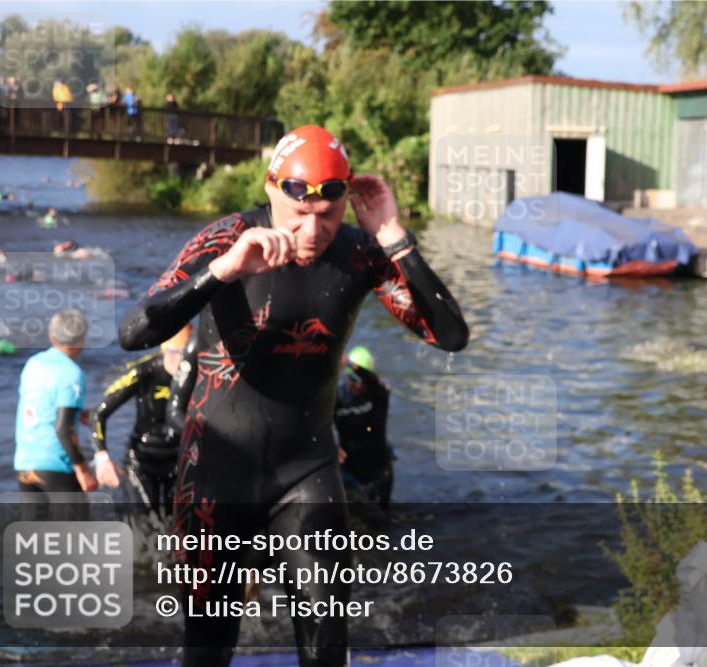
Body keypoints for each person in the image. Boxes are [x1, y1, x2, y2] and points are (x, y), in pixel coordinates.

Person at [118, 124, 468, 666]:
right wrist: (221, 271)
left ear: (345, 203)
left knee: (326, 643)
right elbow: (134, 332)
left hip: (305, 471)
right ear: (271, 190)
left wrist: (395, 237)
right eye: (297, 214)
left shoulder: (359, 252)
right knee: (208, 648)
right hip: (214, 470)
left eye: (327, 217)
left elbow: (450, 335)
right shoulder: (226, 237)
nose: (311, 231)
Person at [91, 325, 193, 526]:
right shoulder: (143, 371)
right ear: (163, 350)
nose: (180, 362)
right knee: (145, 523)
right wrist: (102, 457)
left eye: (185, 355)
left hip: (178, 458)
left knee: (179, 522)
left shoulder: (196, 371)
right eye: (174, 353)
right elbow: (99, 412)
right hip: (142, 459)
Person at [14, 310, 99, 501]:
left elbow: (39, 405)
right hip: (55, 465)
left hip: (25, 463)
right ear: (81, 340)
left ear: (51, 335)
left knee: (34, 530)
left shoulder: (33, 364)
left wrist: (77, 413)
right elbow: (63, 429)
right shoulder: (72, 373)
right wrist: (83, 469)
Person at [334, 346, 394, 509]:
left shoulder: (379, 394)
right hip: (349, 471)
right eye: (352, 379)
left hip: (379, 471)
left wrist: (349, 364)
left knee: (380, 521)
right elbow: (320, 424)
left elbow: (373, 380)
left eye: (361, 380)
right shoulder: (338, 398)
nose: (357, 385)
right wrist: (332, 446)